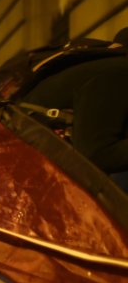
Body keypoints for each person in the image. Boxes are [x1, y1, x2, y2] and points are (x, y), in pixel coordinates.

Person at [18, 28, 128, 192]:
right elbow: (97, 154)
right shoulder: (116, 73)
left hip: (38, 165)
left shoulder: (107, 68)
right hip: (36, 173)